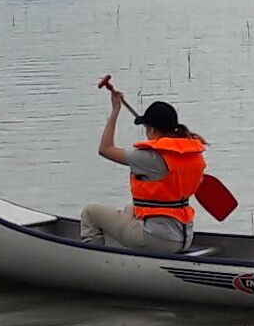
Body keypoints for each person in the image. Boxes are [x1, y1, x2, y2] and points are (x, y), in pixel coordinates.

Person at [84, 84, 208, 251]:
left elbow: (105, 149)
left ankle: (97, 261)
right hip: (185, 238)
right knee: (130, 209)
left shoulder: (150, 158)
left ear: (153, 130)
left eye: (147, 129)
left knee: (90, 213)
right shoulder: (194, 154)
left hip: (158, 240)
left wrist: (115, 111)